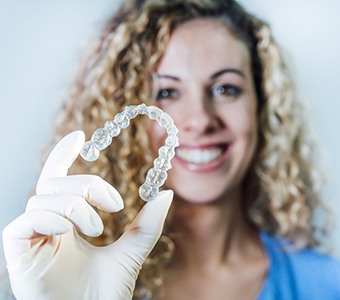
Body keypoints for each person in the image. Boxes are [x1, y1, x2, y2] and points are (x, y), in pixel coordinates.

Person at [2, 0, 340, 299]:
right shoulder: (86, 272)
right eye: (166, 93)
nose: (200, 120)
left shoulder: (327, 286)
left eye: (225, 88)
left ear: (262, 105)